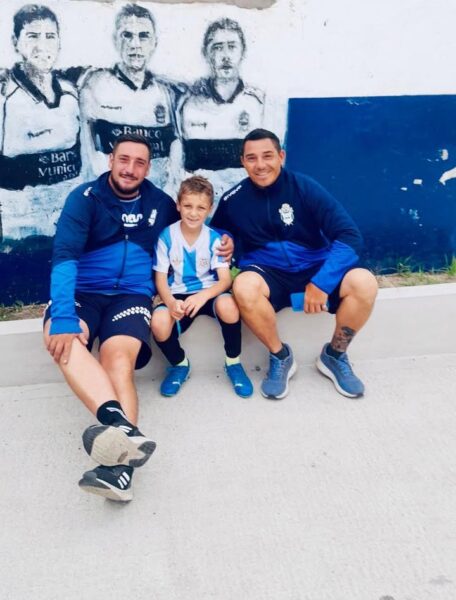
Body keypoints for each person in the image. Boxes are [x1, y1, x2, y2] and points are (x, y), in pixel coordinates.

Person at [43, 133, 181, 502]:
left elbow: (191, 232)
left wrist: (225, 244)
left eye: (139, 163)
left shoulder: (161, 203)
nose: (130, 169)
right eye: (124, 159)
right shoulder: (85, 198)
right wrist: (63, 315)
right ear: (110, 160)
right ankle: (122, 427)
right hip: (84, 293)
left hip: (131, 295)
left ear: (148, 168)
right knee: (62, 340)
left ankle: (120, 472)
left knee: (117, 360)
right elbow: (64, 256)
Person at [210, 128, 378, 400]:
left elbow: (350, 236)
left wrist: (322, 282)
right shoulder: (233, 199)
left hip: (315, 266)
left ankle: (335, 356)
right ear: (242, 162)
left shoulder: (304, 187)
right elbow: (216, 232)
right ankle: (280, 356)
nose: (260, 164)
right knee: (243, 286)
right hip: (270, 273)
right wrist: (226, 240)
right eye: (251, 158)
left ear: (281, 156)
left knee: (365, 282)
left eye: (267, 156)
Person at [151, 176, 253, 398]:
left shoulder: (215, 239)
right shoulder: (167, 237)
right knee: (159, 323)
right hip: (178, 294)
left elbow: (225, 280)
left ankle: (233, 362)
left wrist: (202, 296)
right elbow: (160, 279)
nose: (193, 213)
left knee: (228, 306)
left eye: (200, 208)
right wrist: (170, 302)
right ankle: (179, 364)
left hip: (208, 292)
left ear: (210, 209)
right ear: (178, 205)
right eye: (188, 206)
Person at [80, 3, 184, 192]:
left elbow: (175, 150)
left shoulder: (166, 93)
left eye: (143, 36)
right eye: (127, 35)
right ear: (115, 40)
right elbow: (89, 156)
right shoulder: (95, 87)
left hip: (155, 199)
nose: (135, 44)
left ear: (154, 43)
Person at [0, 4, 82, 240]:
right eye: (32, 36)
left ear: (59, 42)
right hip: (20, 235)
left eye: (50, 36)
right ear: (16, 42)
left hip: (69, 228)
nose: (42, 45)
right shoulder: (5, 97)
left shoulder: (71, 93)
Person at [178, 18, 264, 203]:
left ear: (242, 51)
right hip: (201, 209)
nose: (225, 56)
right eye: (217, 47)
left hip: (244, 206)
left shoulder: (257, 104)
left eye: (231, 47)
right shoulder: (189, 105)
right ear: (206, 53)